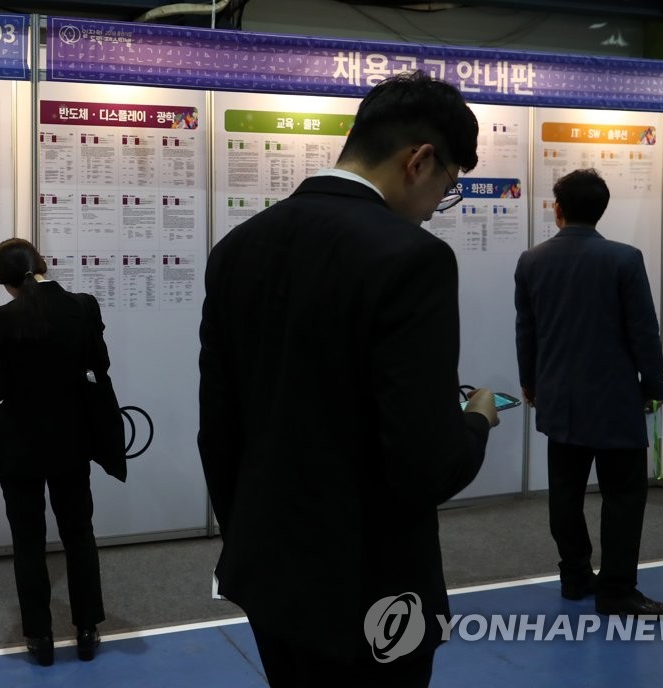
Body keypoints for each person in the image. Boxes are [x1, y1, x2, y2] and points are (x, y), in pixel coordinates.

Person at [198, 71, 499, 687]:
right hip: (373, 587)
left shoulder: (237, 247)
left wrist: (252, 540)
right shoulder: (412, 258)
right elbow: (426, 466)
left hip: (267, 575)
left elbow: (217, 432)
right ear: (419, 161)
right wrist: (476, 420)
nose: (435, 208)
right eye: (447, 187)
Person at [514, 168, 663, 617]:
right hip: (615, 401)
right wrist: (654, 386)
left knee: (565, 493)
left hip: (559, 400)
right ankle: (617, 591)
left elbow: (527, 331)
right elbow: (644, 331)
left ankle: (574, 577)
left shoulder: (531, 260)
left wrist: (531, 383)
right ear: (601, 210)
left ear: (557, 208)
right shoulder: (625, 259)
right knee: (623, 496)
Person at [0, 238, 107, 665]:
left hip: (19, 446)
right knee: (79, 535)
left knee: (28, 543)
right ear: (41, 264)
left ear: (5, 281)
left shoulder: (4, 318)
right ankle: (87, 630)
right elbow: (100, 366)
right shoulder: (83, 307)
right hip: (71, 441)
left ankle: (40, 638)